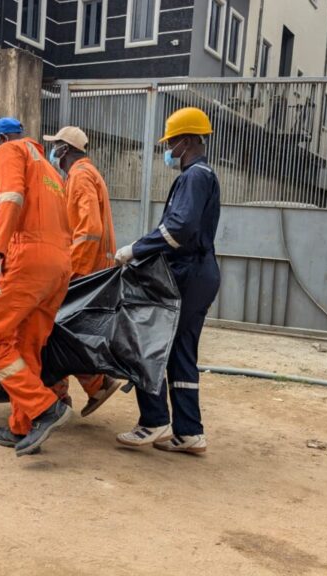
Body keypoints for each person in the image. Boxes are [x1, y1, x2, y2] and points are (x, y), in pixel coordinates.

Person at [114, 107, 220, 454]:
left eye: (172, 141)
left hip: (187, 272)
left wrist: (136, 249)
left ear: (186, 141)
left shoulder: (194, 177)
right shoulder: (202, 175)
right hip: (200, 273)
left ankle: (153, 421)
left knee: (148, 340)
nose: (168, 148)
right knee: (180, 351)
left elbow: (179, 228)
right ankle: (189, 432)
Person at [0, 117, 72, 457]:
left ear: (0, 140)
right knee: (26, 344)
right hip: (58, 265)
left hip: (28, 257)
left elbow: (10, 199)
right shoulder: (50, 168)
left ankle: (45, 408)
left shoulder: (11, 151)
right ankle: (22, 426)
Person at [42, 126, 120, 416]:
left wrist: (70, 273)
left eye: (56, 147)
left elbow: (89, 231)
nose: (53, 153)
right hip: (92, 271)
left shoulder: (80, 176)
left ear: (64, 150)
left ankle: (63, 396)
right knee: (67, 334)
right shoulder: (86, 174)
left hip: (84, 272)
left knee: (53, 332)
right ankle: (88, 387)